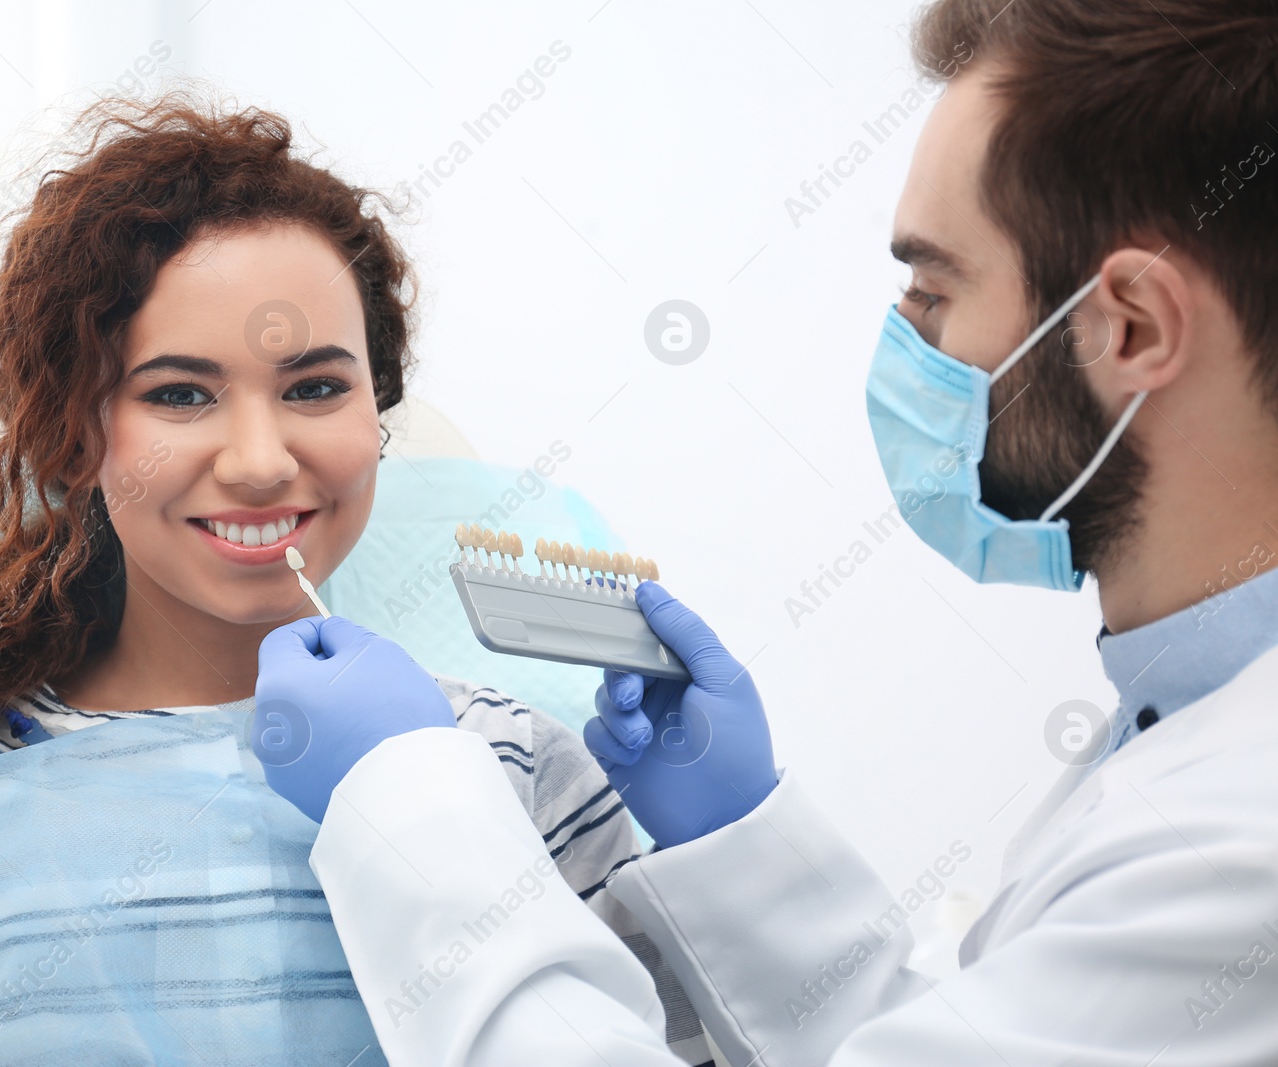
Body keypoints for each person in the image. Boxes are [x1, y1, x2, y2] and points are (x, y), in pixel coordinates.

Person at [250, 1, 1278, 1063]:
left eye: (933, 290)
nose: (906, 347)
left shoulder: (1238, 844)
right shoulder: (1187, 728)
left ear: (1131, 328)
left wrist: (409, 806)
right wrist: (739, 836)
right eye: (182, 394)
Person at [0, 92, 709, 1066]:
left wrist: (724, 839)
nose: (261, 458)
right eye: (179, 393)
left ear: (376, 418)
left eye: (314, 386)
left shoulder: (516, 764)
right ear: (77, 435)